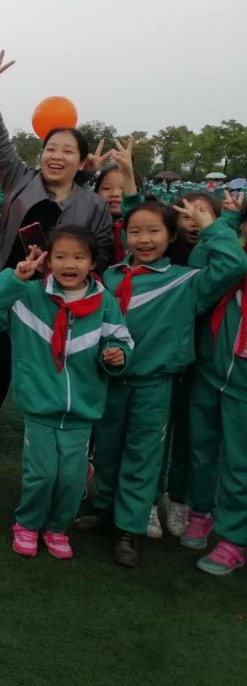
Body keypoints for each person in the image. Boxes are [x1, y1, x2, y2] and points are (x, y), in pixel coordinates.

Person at [0, 50, 116, 502]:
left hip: (56, 312)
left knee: (56, 391)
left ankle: (64, 475)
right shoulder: (19, 178)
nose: (56, 156)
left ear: (82, 161)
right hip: (5, 299)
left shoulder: (93, 206)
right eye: (50, 149)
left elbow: (102, 255)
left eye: (67, 151)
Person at [75, 197, 247, 566]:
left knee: (143, 455)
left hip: (154, 385)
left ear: (171, 237)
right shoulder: (111, 277)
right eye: (135, 231)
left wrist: (217, 224)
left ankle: (129, 527)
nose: (144, 239)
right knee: (107, 448)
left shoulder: (186, 281)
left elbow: (234, 264)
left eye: (154, 231)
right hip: (110, 381)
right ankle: (104, 506)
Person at [0, 227, 133, 558]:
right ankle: (28, 524)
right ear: (48, 261)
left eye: (79, 257)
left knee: (73, 479)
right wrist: (15, 279)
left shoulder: (104, 302)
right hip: (40, 405)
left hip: (83, 409)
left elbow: (120, 339)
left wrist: (117, 354)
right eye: (60, 256)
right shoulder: (29, 295)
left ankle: (57, 528)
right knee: (42, 473)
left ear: (92, 263)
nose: (69, 264)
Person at [182, 200, 247, 574]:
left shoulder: (232, 253)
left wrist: (216, 227)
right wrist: (227, 223)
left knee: (239, 461)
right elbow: (198, 268)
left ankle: (234, 539)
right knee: (201, 447)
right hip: (209, 369)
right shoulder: (230, 248)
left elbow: (235, 265)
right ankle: (201, 511)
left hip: (243, 382)